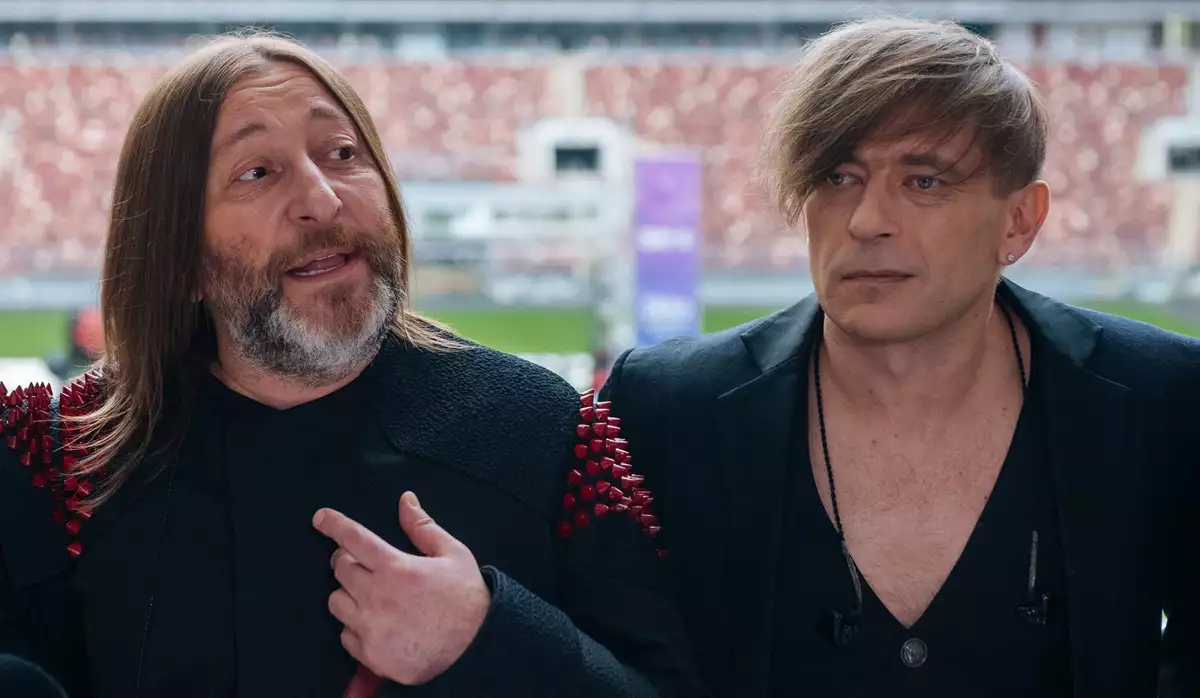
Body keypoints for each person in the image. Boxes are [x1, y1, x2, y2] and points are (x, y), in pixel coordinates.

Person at [0, 33, 704, 698]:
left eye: (342, 153)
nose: (322, 198)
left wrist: (489, 638)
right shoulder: (60, 463)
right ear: (176, 256)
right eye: (257, 172)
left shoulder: (542, 430)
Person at [600, 17, 1200, 698]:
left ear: (1020, 221)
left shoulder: (1164, 400)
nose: (866, 221)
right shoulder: (660, 411)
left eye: (925, 182)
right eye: (838, 176)